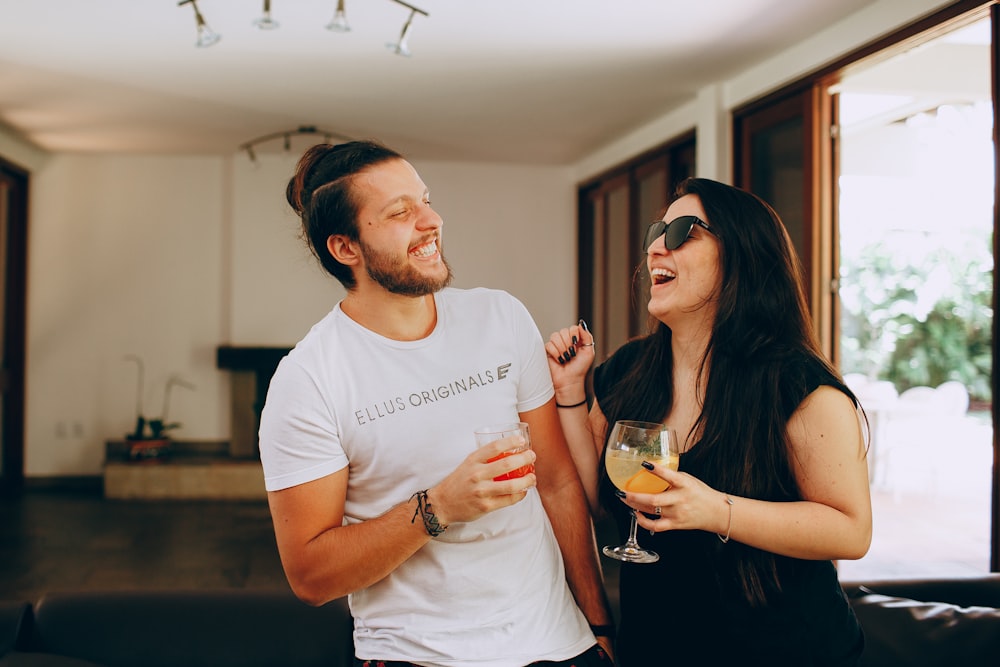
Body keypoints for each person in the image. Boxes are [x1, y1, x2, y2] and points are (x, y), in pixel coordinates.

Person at [258, 139, 614, 667]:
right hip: (418, 655)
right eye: (401, 212)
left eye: (425, 200)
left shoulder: (501, 317)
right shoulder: (309, 378)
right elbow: (310, 576)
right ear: (346, 248)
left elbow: (557, 482)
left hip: (559, 642)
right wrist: (439, 507)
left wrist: (599, 623)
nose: (431, 221)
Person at [545, 177, 872, 666]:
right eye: (657, 230)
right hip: (658, 648)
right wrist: (571, 392)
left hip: (789, 653)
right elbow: (597, 500)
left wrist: (716, 510)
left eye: (682, 232)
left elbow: (850, 531)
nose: (656, 246)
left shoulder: (798, 386)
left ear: (741, 256)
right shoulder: (627, 371)